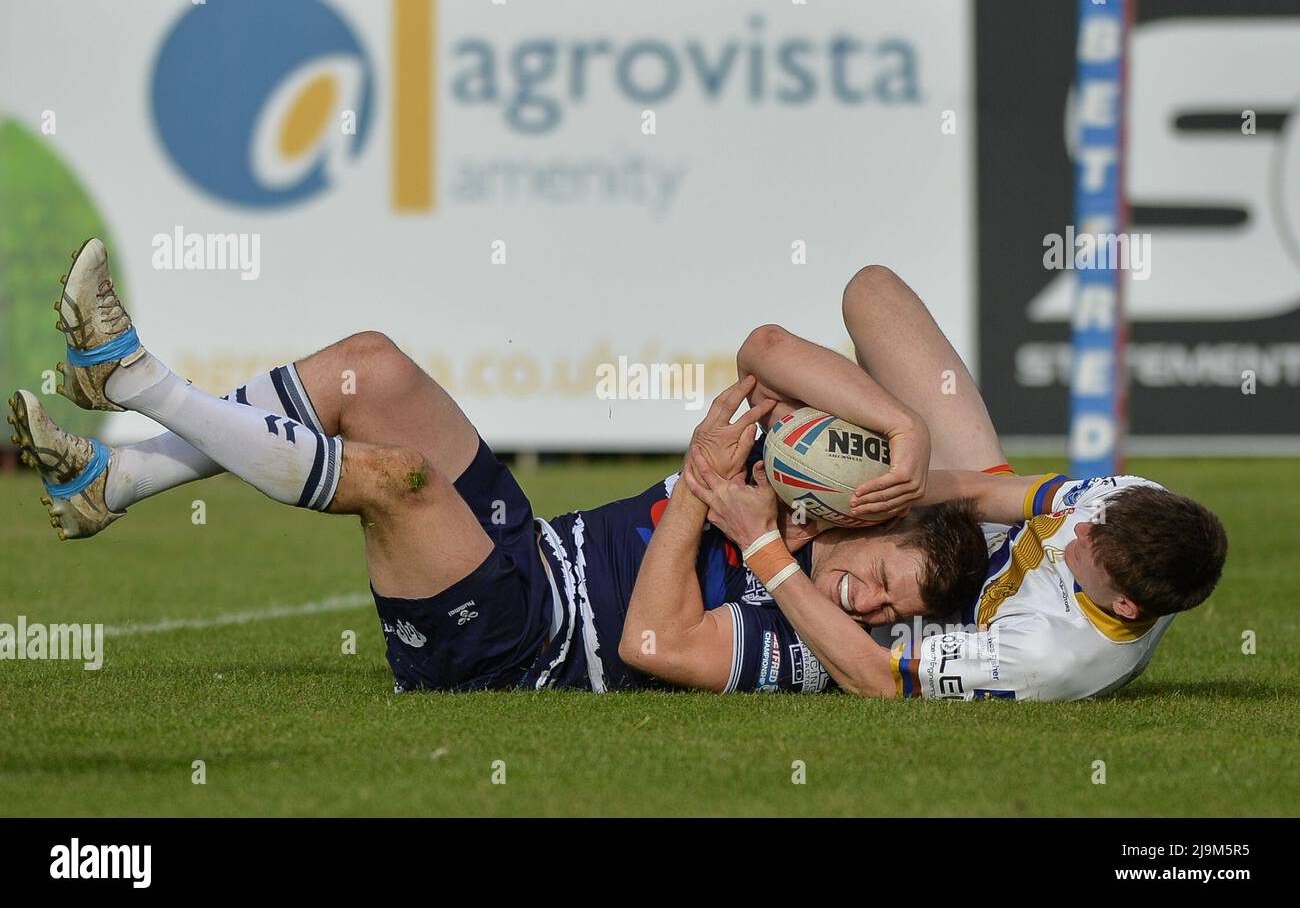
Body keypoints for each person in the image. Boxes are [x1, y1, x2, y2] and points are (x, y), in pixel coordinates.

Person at [8, 239, 988, 694]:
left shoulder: (813, 639)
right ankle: (117, 482)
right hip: (529, 546)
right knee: (371, 366)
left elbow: (651, 638)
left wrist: (715, 498)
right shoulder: (843, 492)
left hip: (518, 648)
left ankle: (136, 380)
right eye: (887, 581)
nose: (868, 603)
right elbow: (824, 316)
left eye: (890, 615)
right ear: (881, 513)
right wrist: (902, 434)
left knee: (394, 479)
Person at [656, 265, 1228, 700]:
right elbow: (982, 493)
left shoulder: (1048, 656)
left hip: (946, 607)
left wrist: (765, 548)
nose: (1076, 534)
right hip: (975, 533)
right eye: (1092, 526)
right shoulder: (1126, 503)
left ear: (1124, 605)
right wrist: (884, 477)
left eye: (1089, 553)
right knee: (871, 292)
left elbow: (873, 678)